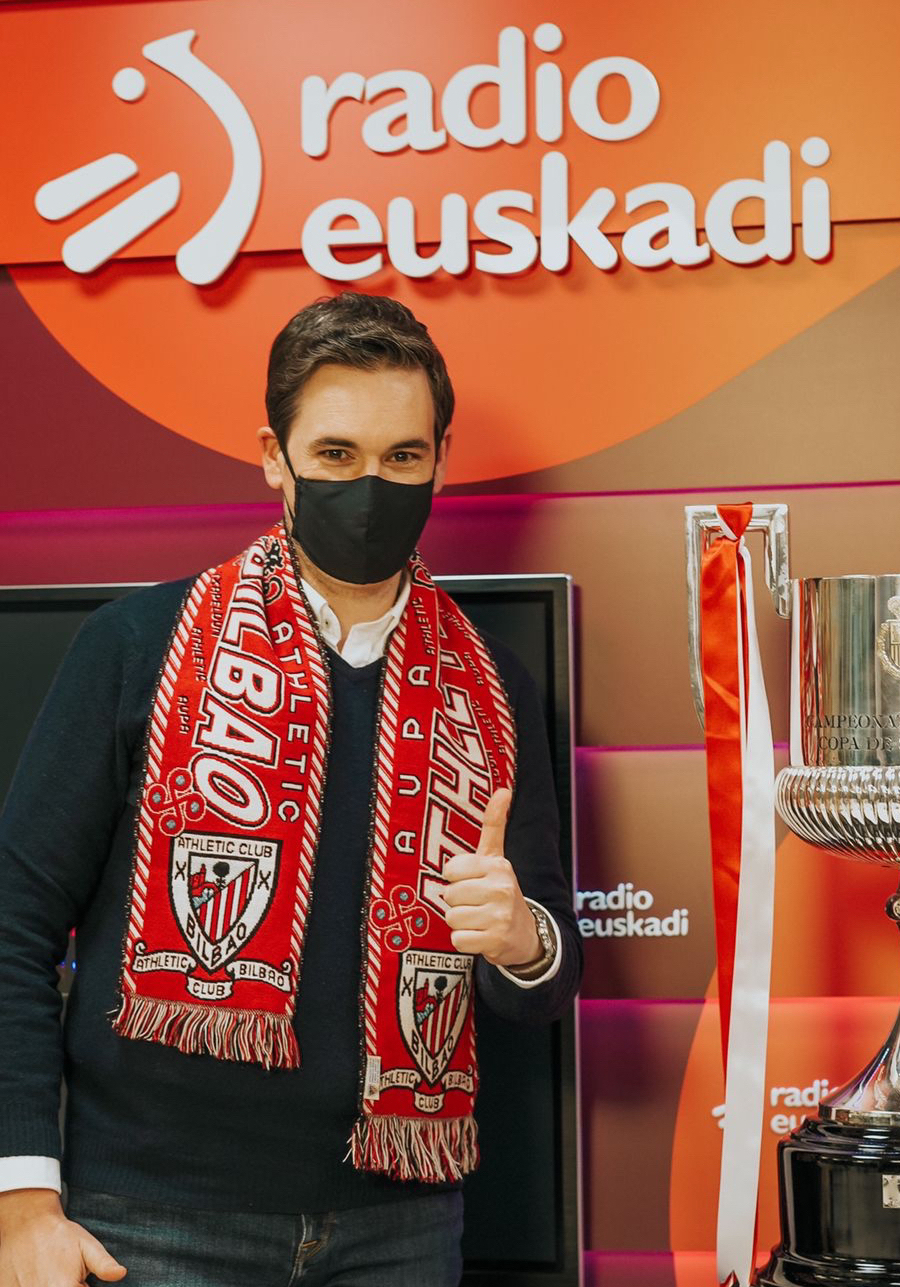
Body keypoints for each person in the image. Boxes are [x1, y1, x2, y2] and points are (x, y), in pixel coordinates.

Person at [0, 291, 581, 1286]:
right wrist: (20, 1202)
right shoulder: (135, 648)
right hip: (154, 1221)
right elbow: (13, 923)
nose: (370, 486)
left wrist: (522, 938)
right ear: (276, 456)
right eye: (337, 455)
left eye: (402, 456)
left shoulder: (493, 686)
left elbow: (548, 973)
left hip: (400, 1223)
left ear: (440, 460)